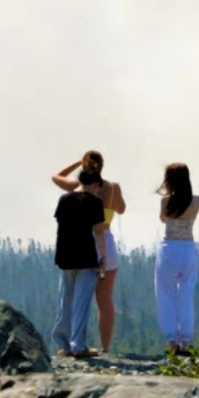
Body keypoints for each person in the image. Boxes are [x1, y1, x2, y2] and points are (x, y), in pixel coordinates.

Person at [52, 150, 126, 353]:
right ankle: (105, 347)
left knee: (68, 297)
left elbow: (55, 176)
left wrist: (76, 162)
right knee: (104, 300)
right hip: (104, 240)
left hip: (72, 244)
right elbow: (121, 209)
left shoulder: (71, 190)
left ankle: (64, 342)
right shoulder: (112, 188)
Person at [52, 168, 108, 358]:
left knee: (65, 301)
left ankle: (63, 344)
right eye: (98, 188)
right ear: (95, 185)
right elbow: (99, 231)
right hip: (85, 256)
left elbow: (60, 226)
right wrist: (103, 257)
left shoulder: (64, 199)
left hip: (65, 255)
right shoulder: (94, 202)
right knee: (81, 302)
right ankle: (78, 345)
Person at [155, 163, 199, 356]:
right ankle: (185, 342)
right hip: (188, 248)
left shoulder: (166, 201)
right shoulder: (197, 200)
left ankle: (172, 340)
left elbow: (163, 219)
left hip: (170, 248)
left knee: (165, 295)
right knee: (186, 295)